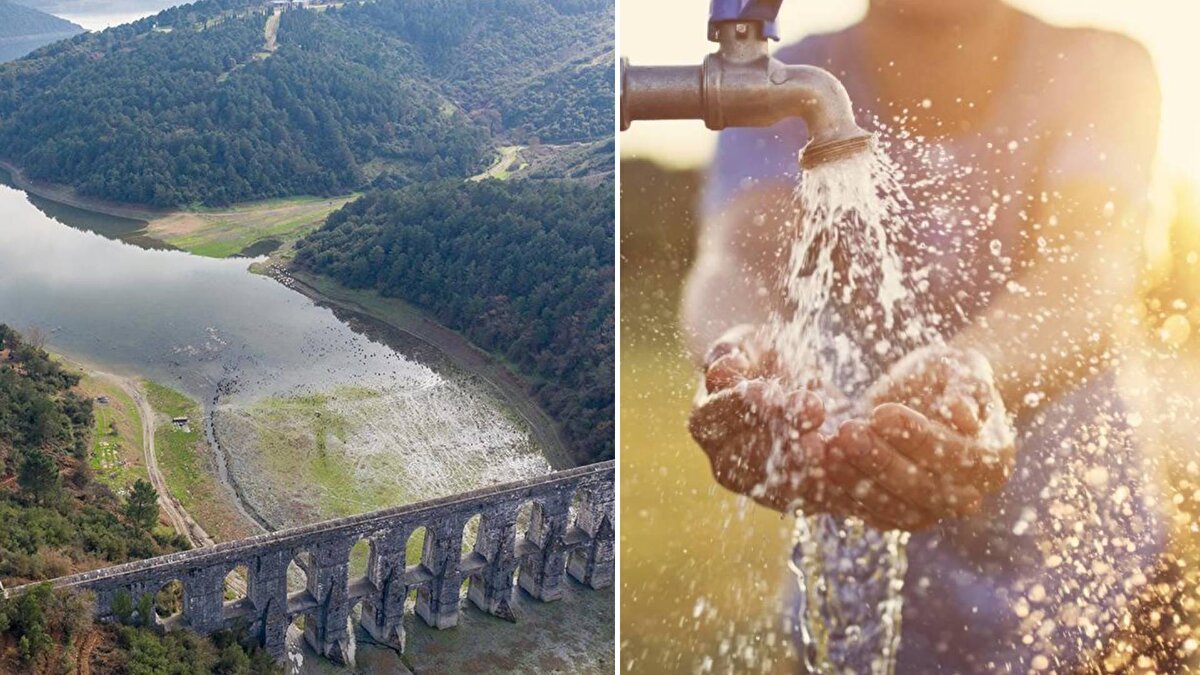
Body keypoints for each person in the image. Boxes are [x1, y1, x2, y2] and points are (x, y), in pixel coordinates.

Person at [685, 0, 1172, 671]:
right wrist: (740, 350)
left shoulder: (1099, 68)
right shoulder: (790, 80)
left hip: (1095, 593)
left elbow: (1088, 267)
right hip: (860, 596)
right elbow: (742, 255)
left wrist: (978, 367)